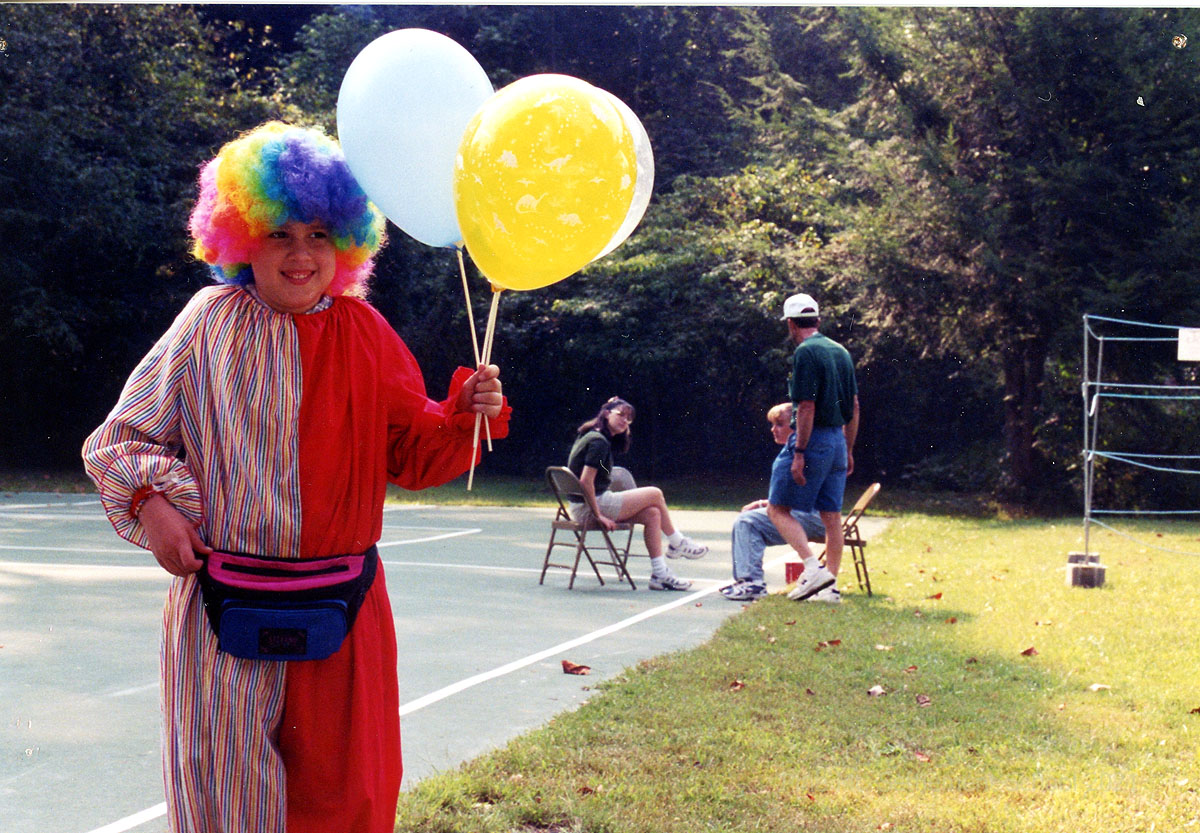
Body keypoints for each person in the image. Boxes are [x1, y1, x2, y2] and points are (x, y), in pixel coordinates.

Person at [81, 122, 510, 833]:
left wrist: (464, 413)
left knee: (348, 793)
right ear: (241, 239)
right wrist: (153, 506)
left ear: (346, 244)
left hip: (343, 608)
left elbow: (413, 452)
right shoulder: (205, 323)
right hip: (222, 607)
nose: (301, 254)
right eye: (279, 234)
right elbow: (121, 438)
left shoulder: (365, 331)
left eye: (318, 235)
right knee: (224, 793)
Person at [767, 292, 859, 602]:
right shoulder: (840, 351)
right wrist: (848, 448)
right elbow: (854, 406)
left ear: (791, 324)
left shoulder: (806, 352)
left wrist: (799, 452)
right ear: (818, 320)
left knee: (776, 508)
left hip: (814, 439)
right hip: (837, 439)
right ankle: (830, 587)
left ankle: (812, 568)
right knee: (832, 516)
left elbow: (806, 406)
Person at [566, 396, 707, 590]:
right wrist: (598, 515)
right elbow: (585, 481)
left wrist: (612, 407)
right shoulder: (599, 442)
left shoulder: (590, 434)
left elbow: (591, 477)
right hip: (590, 508)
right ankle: (677, 542)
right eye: (620, 415)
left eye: (629, 418)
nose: (625, 420)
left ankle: (659, 574)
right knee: (655, 493)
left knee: (653, 514)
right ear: (606, 414)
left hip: (584, 506)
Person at [720, 403, 834, 603]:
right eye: (772, 424)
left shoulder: (799, 454)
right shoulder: (807, 449)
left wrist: (766, 505)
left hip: (814, 517)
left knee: (748, 522)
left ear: (797, 426)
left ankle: (752, 583)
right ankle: (749, 580)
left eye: (780, 424)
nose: (774, 429)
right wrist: (763, 503)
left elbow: (801, 499)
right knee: (750, 519)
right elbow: (796, 495)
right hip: (815, 515)